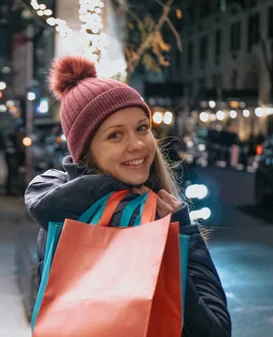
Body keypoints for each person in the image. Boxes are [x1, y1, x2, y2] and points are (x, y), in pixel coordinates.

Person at [24, 56, 231, 337]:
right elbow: (214, 330)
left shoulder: (63, 212)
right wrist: (181, 230)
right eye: (115, 135)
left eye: (142, 128)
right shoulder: (135, 220)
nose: (137, 145)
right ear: (86, 151)